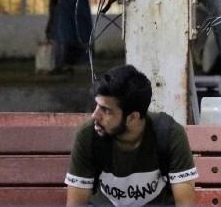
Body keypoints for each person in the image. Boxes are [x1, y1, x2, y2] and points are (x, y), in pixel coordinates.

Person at [65, 65, 197, 206]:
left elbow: (185, 203)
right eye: (97, 106)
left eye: (106, 110)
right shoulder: (88, 136)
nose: (95, 115)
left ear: (132, 117)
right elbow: (75, 204)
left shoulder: (168, 133)